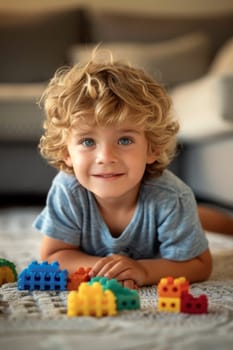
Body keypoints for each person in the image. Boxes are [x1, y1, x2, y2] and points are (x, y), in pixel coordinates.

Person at [33, 51, 212, 289]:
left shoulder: (173, 198)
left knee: (196, 214)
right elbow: (53, 256)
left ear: (152, 148)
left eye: (125, 140)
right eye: (88, 142)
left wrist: (145, 270)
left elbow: (200, 263)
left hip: (172, 206)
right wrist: (109, 269)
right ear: (67, 152)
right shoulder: (68, 190)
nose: (106, 157)